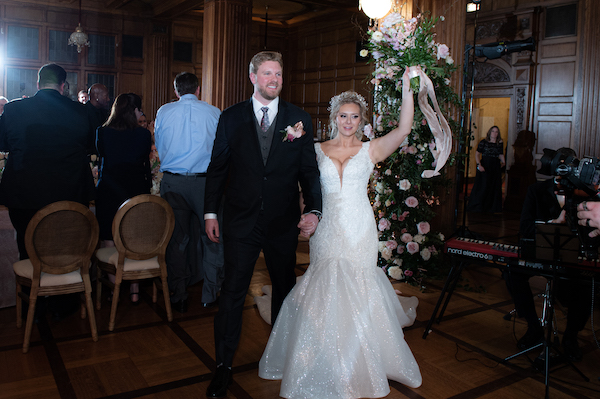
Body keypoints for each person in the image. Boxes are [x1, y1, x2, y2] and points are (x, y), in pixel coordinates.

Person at [259, 71, 422, 398]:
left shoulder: (371, 150)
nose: (348, 121)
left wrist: (408, 87)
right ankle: (322, 357)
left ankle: (357, 360)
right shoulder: (316, 150)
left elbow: (404, 129)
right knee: (326, 282)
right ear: (334, 118)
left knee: (358, 284)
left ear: (362, 120)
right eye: (343, 116)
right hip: (328, 226)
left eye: (355, 117)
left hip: (360, 226)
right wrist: (306, 216)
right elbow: (303, 188)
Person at [204, 51, 322, 398]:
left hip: (283, 222)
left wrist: (314, 210)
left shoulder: (298, 118)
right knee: (232, 294)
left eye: (278, 75)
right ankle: (223, 366)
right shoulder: (231, 118)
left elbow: (309, 172)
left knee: (285, 290)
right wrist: (211, 212)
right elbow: (218, 167)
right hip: (241, 221)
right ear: (253, 76)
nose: (274, 80)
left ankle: (284, 358)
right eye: (267, 74)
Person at [0, 63, 95, 321]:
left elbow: (4, 143)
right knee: (66, 246)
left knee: (27, 243)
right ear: (63, 86)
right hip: (69, 194)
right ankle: (64, 303)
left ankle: (36, 304)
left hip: (24, 194)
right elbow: (89, 146)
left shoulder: (13, 109)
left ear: (38, 83)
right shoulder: (81, 111)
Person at [505, 150, 591, 361]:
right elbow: (525, 226)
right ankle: (534, 328)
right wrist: (551, 225)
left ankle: (571, 336)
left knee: (585, 284)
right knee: (512, 271)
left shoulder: (582, 192)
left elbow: (591, 235)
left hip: (571, 255)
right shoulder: (536, 190)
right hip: (541, 251)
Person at [154, 72, 224, 313]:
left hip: (173, 183)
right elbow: (221, 150)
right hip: (205, 184)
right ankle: (210, 293)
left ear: (176, 91)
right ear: (198, 90)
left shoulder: (164, 111)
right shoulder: (214, 112)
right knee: (212, 238)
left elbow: (159, 143)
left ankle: (179, 294)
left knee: (177, 240)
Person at [95, 93, 152, 304]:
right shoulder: (143, 135)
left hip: (109, 190)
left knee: (109, 238)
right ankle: (135, 291)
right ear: (134, 111)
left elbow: (102, 158)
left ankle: (114, 288)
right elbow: (144, 162)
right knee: (133, 237)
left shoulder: (102, 132)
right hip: (135, 191)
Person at [467, 126, 506, 213]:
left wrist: (503, 162)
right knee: (483, 186)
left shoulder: (499, 142)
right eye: (493, 131)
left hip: (495, 166)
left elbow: (500, 154)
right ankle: (479, 206)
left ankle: (492, 208)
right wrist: (479, 165)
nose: (494, 133)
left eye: (496, 132)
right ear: (489, 132)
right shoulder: (483, 142)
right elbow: (477, 154)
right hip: (485, 165)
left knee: (494, 186)